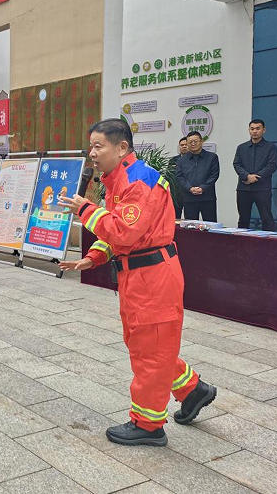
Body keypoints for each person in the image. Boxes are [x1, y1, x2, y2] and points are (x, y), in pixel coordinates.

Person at [59, 118, 216, 446]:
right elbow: (119, 231)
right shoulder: (116, 179)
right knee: (145, 344)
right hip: (136, 275)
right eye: (91, 146)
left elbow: (125, 231)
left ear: (122, 148)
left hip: (154, 277)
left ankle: (148, 425)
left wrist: (85, 208)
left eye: (98, 146)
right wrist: (95, 257)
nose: (92, 153)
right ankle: (192, 389)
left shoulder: (138, 179)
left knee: (150, 350)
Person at [233, 119, 277, 231]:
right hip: (244, 188)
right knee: (243, 219)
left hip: (262, 188)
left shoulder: (270, 147)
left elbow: (272, 165)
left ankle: (269, 246)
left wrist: (255, 177)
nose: (254, 131)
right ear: (249, 130)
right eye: (252, 129)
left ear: (264, 130)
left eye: (258, 128)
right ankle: (242, 245)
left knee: (267, 219)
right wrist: (247, 176)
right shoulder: (241, 147)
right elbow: (236, 164)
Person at [176, 131, 220, 221]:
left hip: (207, 198)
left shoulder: (212, 157)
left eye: (195, 141)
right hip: (189, 198)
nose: (193, 144)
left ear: (201, 142)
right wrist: (189, 188)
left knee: (210, 227)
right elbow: (180, 176)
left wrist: (203, 188)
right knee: (191, 228)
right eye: (190, 142)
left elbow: (214, 175)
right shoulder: (181, 160)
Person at [169, 137, 188, 219]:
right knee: (175, 218)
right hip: (176, 194)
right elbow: (169, 176)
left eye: (186, 145)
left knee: (189, 219)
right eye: (181, 145)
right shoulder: (173, 160)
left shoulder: (194, 160)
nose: (184, 146)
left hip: (188, 193)